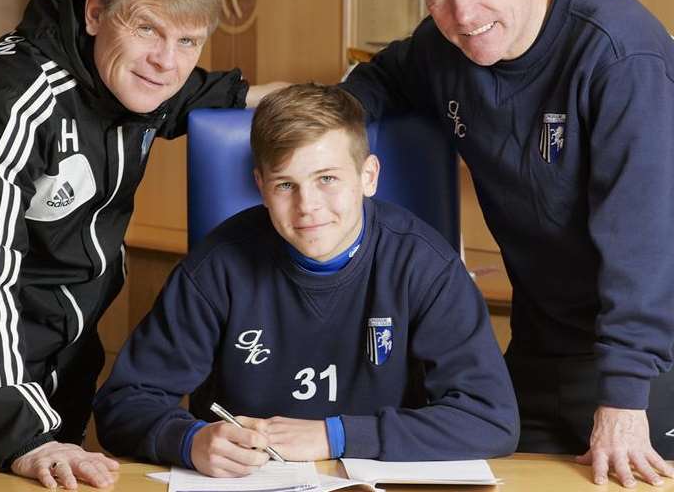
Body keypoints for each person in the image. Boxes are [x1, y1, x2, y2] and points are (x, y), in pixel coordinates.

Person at [340, 0, 674, 488]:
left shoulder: (620, 56)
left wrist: (624, 398)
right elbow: (387, 76)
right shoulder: (447, 43)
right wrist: (327, 124)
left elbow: (647, 242)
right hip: (547, 319)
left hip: (662, 324)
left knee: (635, 483)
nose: (463, 15)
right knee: (507, 475)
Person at [0, 0, 282, 488]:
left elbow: (222, 94)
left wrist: (349, 104)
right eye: (147, 28)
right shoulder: (8, 102)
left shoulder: (137, 78)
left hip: (54, 388)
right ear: (96, 12)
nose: (165, 62)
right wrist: (27, 437)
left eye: (188, 42)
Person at [92, 83, 518, 476]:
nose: (307, 207)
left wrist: (334, 435)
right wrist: (188, 441)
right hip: (250, 484)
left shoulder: (425, 265)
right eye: (285, 185)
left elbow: (491, 418)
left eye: (327, 179)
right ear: (260, 185)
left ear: (368, 176)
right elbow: (123, 404)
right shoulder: (216, 267)